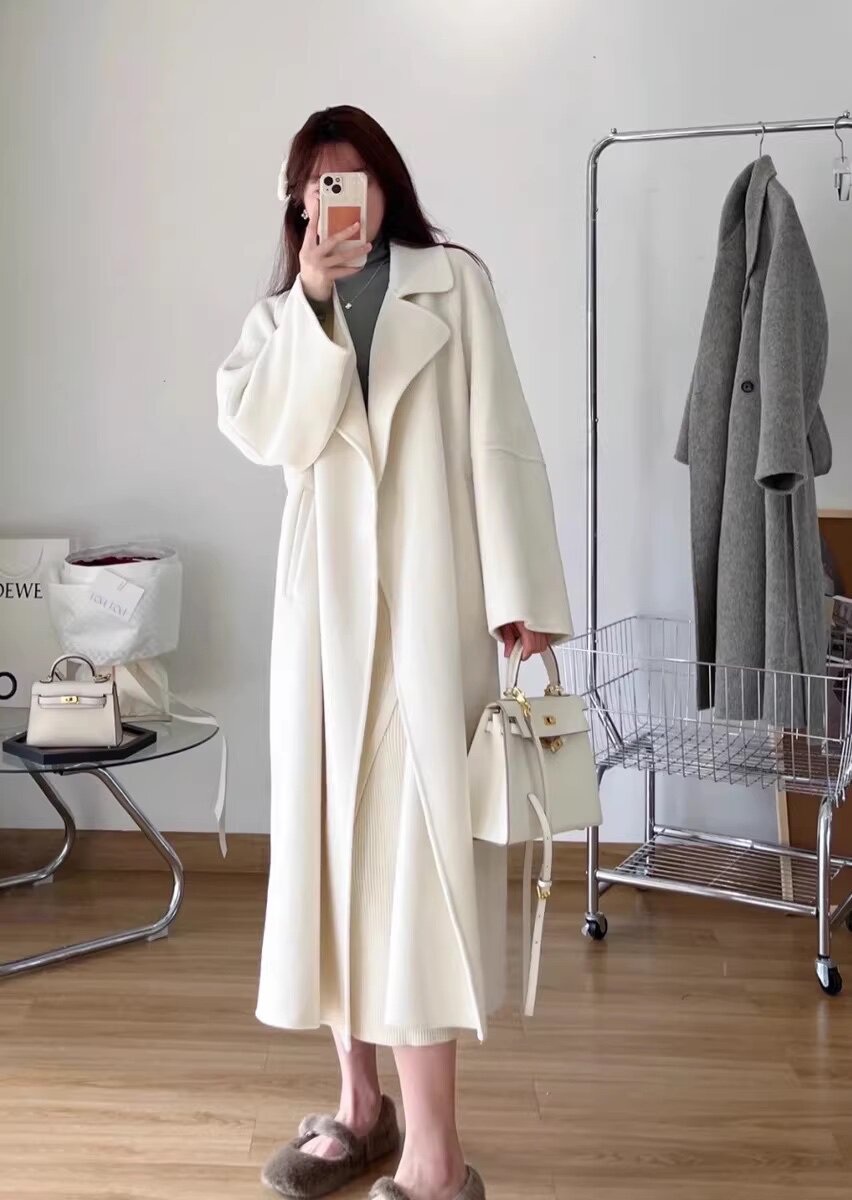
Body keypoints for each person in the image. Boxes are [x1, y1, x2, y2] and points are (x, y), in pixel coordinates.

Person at [216, 105, 574, 1200]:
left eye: (354, 176)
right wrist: (313, 303)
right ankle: (360, 1107)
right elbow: (266, 434)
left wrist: (522, 595)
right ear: (297, 206)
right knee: (334, 856)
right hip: (323, 617)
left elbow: (501, 438)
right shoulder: (278, 319)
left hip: (430, 597)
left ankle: (436, 1152)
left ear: (387, 186)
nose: (337, 198)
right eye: (316, 184)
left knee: (418, 866)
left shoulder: (452, 283)